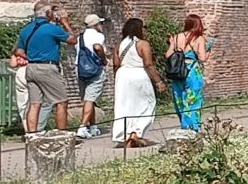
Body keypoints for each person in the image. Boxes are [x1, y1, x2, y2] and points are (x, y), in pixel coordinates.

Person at [10, 2, 71, 136]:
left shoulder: (26, 29)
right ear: (47, 13)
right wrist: (65, 22)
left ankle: (32, 135)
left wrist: (32, 56)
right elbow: (73, 40)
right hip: (47, 67)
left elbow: (18, 50)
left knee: (35, 103)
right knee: (61, 102)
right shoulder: (51, 29)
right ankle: (63, 135)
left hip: (31, 68)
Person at [110, 16, 160, 149]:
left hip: (123, 75)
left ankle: (125, 134)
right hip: (138, 74)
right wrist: (159, 81)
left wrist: (117, 78)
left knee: (124, 106)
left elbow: (115, 64)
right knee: (147, 104)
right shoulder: (143, 44)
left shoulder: (118, 44)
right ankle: (137, 132)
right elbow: (148, 64)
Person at [166, 12, 210, 133]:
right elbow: (202, 58)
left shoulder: (175, 37)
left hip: (178, 71)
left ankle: (184, 125)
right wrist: (208, 51)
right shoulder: (199, 38)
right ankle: (193, 127)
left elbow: (168, 55)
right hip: (192, 72)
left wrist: (172, 45)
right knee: (193, 99)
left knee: (179, 98)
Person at [73, 13, 108, 138]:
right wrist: (104, 59)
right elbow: (97, 47)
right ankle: (82, 127)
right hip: (94, 69)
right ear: (96, 24)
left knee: (88, 99)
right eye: (100, 23)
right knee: (90, 99)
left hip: (81, 69)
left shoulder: (80, 37)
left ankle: (93, 127)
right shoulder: (98, 36)